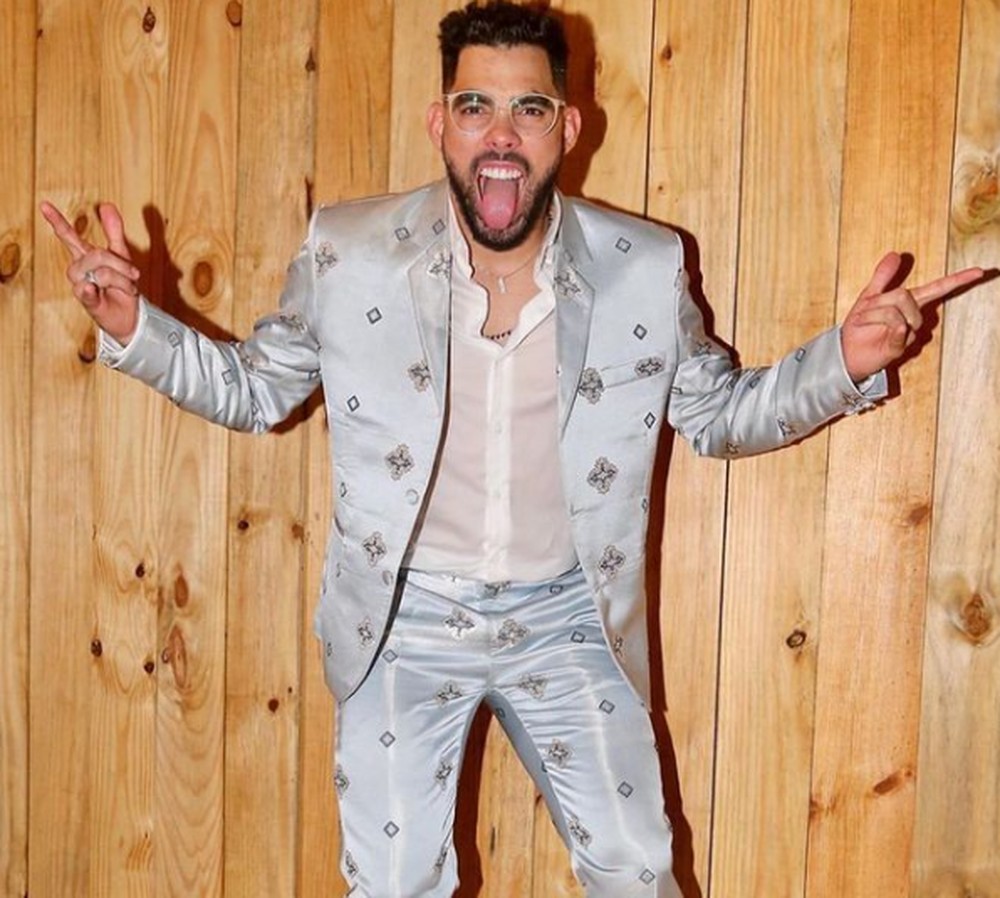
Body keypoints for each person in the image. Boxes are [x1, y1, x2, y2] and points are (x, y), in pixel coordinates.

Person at [41, 2, 985, 896]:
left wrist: (844, 362)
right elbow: (255, 390)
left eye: (528, 109)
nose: (500, 134)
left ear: (566, 129)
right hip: (401, 624)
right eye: (474, 106)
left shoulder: (644, 267)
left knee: (638, 873)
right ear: (438, 124)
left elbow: (718, 414)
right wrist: (134, 327)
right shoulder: (348, 252)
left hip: (570, 619)